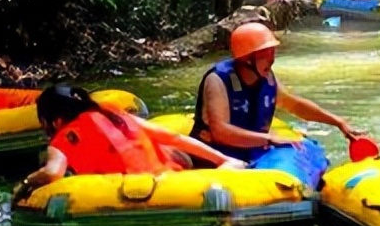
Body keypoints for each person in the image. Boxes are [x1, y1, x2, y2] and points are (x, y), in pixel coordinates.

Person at [13, 84, 244, 200]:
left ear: (55, 121)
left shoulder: (65, 136)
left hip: (137, 197)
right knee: (171, 152)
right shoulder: (116, 115)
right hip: (175, 183)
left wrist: (24, 184)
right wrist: (223, 159)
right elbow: (173, 137)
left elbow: (53, 173)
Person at [191, 22, 363, 163]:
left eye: (273, 52)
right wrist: (269, 139)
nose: (272, 59)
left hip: (252, 153)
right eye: (265, 54)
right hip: (219, 156)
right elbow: (221, 132)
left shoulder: (266, 77)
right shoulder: (218, 80)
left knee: (307, 150)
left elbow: (294, 104)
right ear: (247, 58)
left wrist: (339, 123)